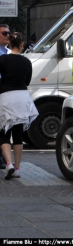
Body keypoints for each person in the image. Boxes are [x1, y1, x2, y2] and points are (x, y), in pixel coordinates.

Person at [0, 32, 39, 179]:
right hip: (22, 97)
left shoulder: (3, 60)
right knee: (18, 134)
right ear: (22, 45)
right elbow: (27, 81)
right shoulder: (26, 62)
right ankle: (17, 168)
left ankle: (8, 163)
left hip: (6, 96)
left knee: (4, 132)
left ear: (9, 43)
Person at [0, 24, 11, 169]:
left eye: (8, 33)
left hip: (7, 91)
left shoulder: (9, 53)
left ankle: (3, 157)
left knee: (4, 126)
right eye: (4, 33)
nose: (7, 35)